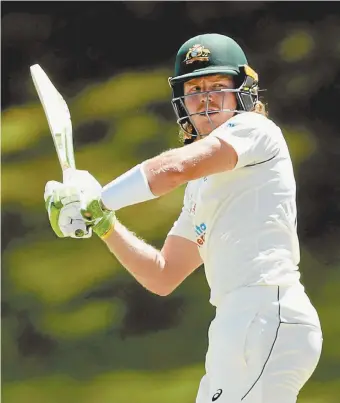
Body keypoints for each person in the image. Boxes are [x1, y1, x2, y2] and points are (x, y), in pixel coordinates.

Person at [44, 33, 323, 402]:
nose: (206, 99)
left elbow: (171, 169)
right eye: (195, 89)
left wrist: (99, 199)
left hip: (267, 312)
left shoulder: (257, 132)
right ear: (182, 101)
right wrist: (102, 223)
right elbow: (163, 273)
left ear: (243, 92)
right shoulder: (201, 186)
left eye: (218, 86)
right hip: (233, 324)